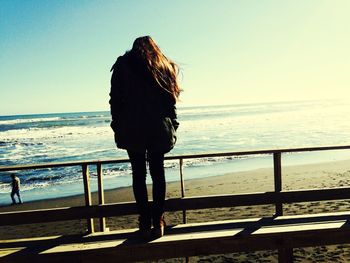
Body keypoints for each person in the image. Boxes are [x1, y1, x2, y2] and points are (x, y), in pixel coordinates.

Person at [109, 36, 181, 239]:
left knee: (138, 174)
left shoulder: (123, 64)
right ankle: (157, 221)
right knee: (158, 174)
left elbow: (115, 100)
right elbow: (171, 101)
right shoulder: (162, 65)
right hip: (158, 127)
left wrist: (118, 125)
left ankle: (144, 221)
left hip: (133, 128)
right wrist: (172, 125)